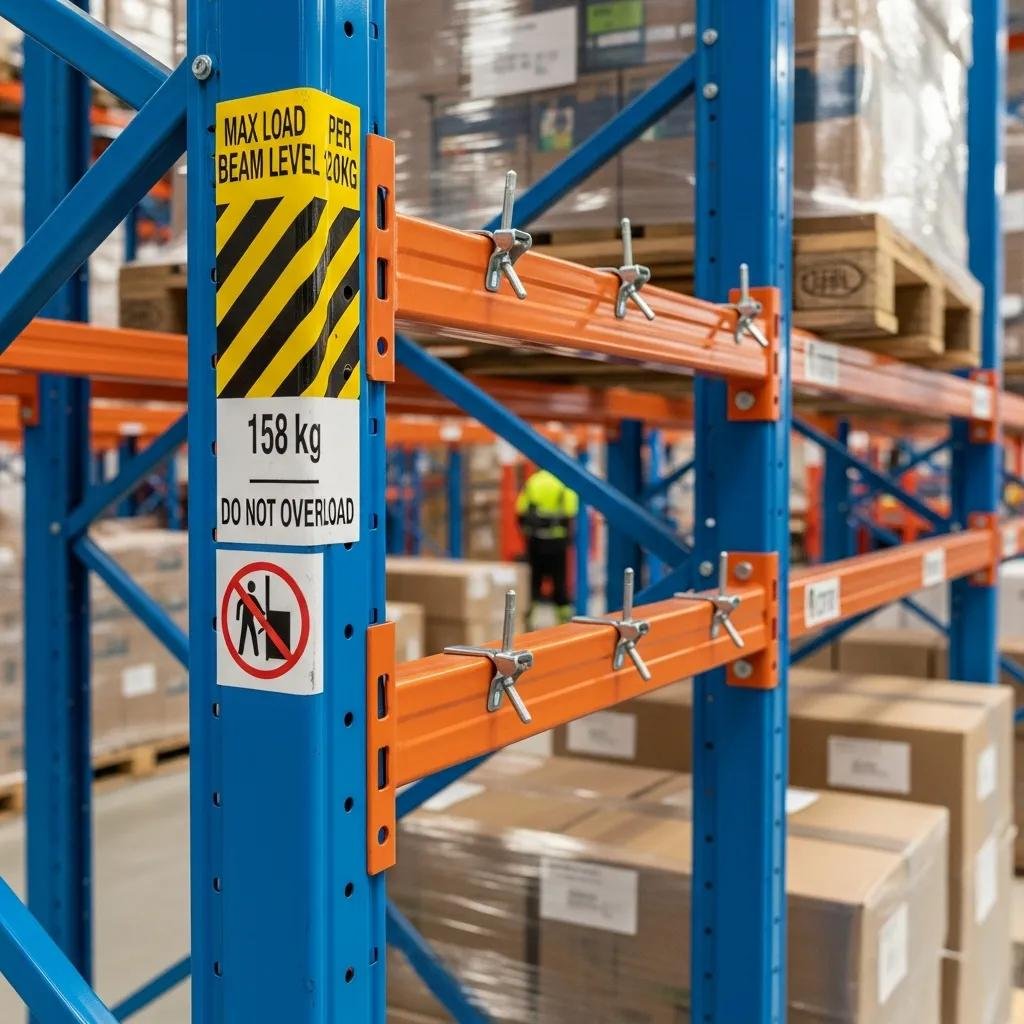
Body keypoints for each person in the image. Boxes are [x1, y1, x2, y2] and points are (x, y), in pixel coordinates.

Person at [515, 469, 579, 625]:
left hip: (536, 542)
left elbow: (520, 511)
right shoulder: (563, 483)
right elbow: (571, 512)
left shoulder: (533, 481)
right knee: (560, 584)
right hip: (557, 543)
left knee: (534, 583)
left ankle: (528, 622)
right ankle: (564, 623)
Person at [236, 579, 264, 657]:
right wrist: (237, 617)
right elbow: (239, 604)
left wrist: (262, 611)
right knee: (249, 634)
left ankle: (252, 652)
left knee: (247, 634)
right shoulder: (247, 597)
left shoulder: (250, 597)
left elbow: (258, 605)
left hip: (249, 619)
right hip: (246, 619)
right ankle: (254, 652)